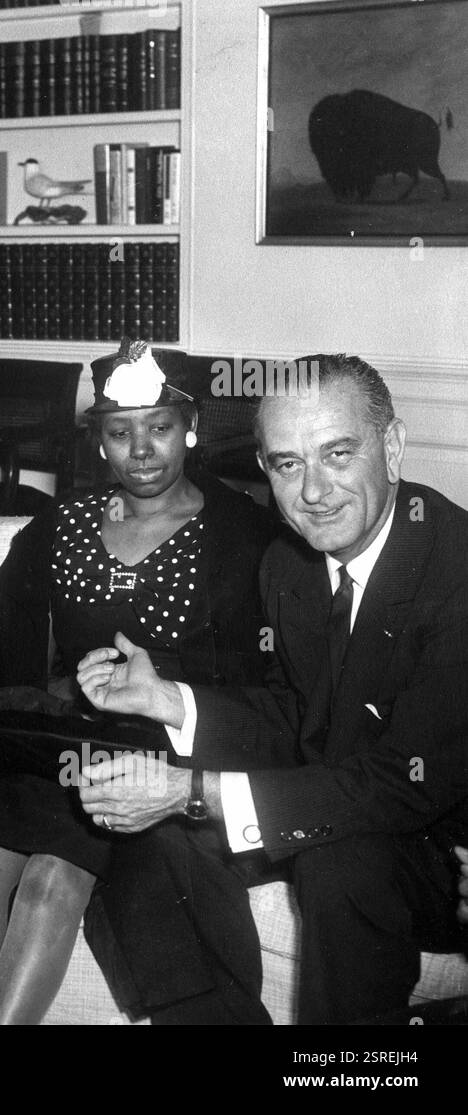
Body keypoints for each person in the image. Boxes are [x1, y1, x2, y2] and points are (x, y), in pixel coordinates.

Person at [76, 354, 468, 1024]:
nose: (314, 490)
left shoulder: (453, 568)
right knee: (153, 844)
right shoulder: (289, 564)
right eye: (288, 463)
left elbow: (401, 782)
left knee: (337, 861)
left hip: (444, 844)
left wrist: (197, 792)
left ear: (394, 446)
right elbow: (298, 718)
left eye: (337, 454)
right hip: (366, 807)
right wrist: (170, 699)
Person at [0, 340, 280, 1024]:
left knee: (52, 875)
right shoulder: (60, 526)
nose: (141, 450)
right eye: (120, 434)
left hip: (163, 758)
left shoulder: (244, 536)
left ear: (193, 428)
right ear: (99, 444)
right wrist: (61, 688)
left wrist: (161, 694)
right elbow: (8, 664)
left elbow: (259, 690)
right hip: (52, 743)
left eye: (160, 429)